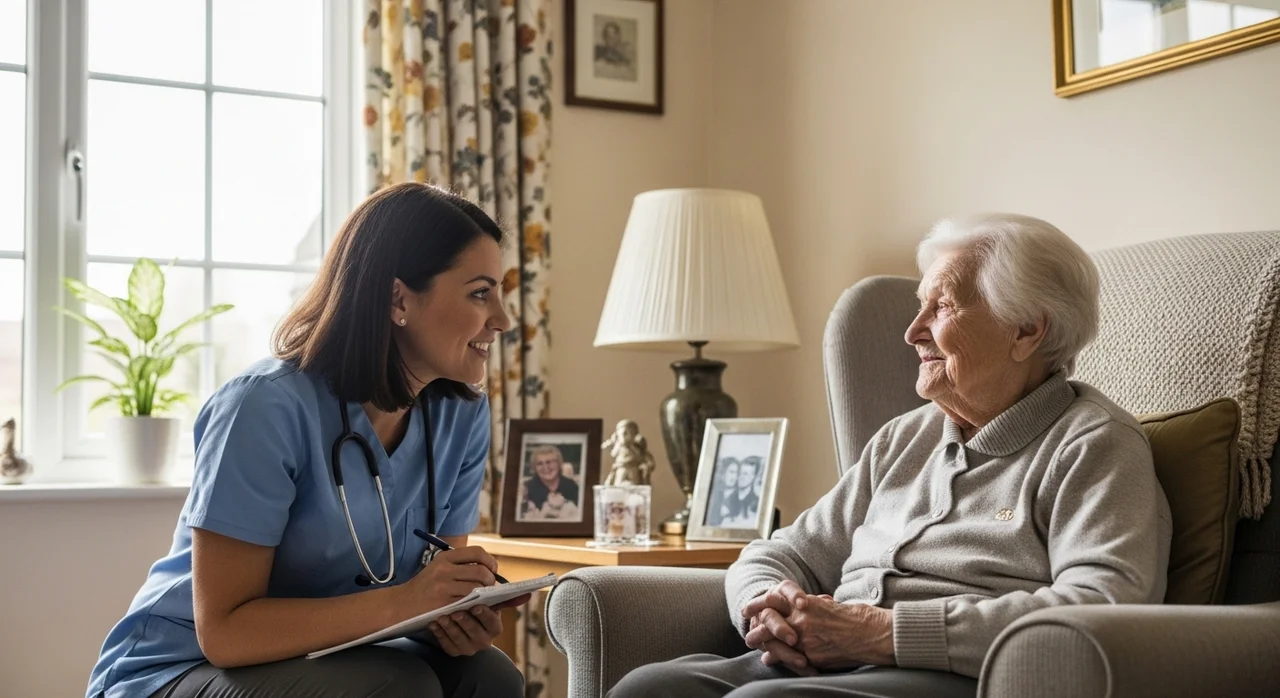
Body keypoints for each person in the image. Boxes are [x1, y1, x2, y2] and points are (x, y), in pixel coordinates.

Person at [608, 213, 1173, 698]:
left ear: (1026, 330)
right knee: (650, 689)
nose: (912, 332)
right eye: (918, 306)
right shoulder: (905, 438)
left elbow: (1103, 605)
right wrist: (767, 606)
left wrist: (882, 632)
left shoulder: (1093, 445)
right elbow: (785, 552)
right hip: (827, 667)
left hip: (954, 678)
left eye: (942, 307)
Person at [86, 183, 531, 698]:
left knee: (489, 675)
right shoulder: (263, 408)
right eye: (481, 292)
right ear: (398, 299)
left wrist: (452, 618)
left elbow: (429, 596)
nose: (503, 319)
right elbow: (225, 633)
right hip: (176, 669)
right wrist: (407, 603)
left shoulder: (462, 416)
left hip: (338, 654)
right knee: (396, 686)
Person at [521, 444, 581, 520]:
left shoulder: (571, 486)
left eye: (549, 462)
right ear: (534, 468)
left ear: (559, 464)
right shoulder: (527, 488)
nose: (545, 467)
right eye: (540, 463)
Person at [722, 456, 762, 528]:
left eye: (746, 474)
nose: (741, 477)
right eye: (740, 473)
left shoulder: (757, 503)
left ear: (754, 476)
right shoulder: (728, 500)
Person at [706, 457, 740, 526]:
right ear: (723, 473)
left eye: (736, 473)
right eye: (731, 472)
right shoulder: (715, 494)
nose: (734, 477)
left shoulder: (738, 496)